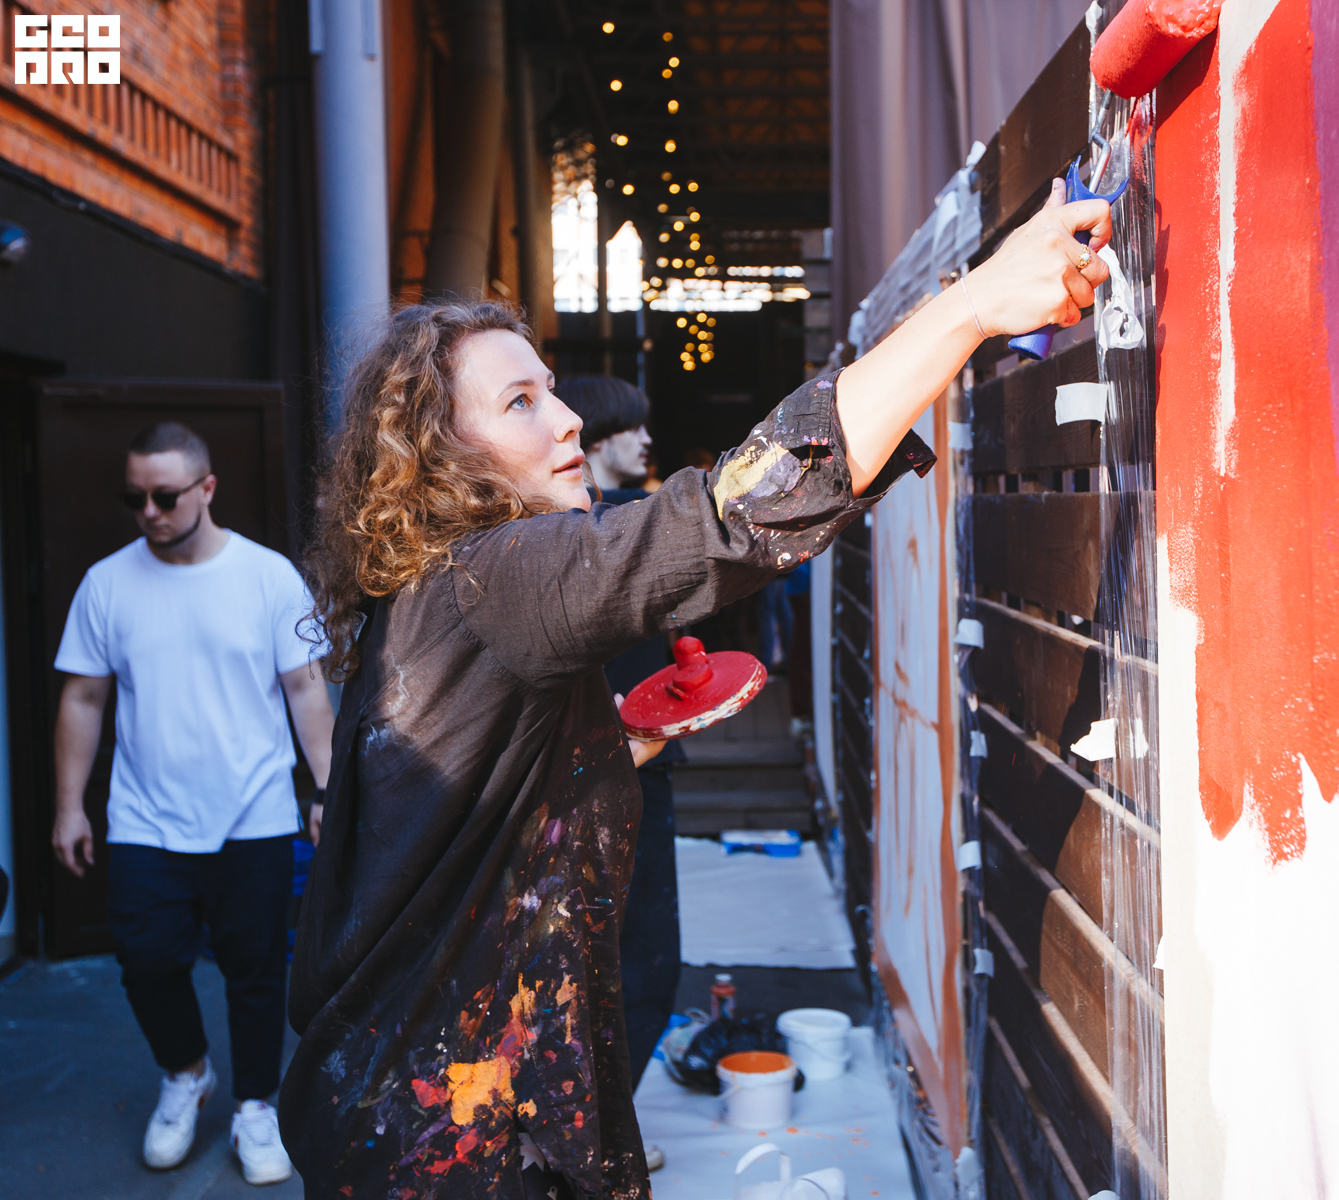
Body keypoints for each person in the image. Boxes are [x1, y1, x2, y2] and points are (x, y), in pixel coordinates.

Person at [280, 185, 1111, 1198]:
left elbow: (449, 814)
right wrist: (973, 306)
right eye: (519, 403)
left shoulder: (434, 590)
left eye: (551, 389)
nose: (568, 419)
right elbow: (731, 518)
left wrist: (604, 743)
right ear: (439, 455)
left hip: (399, 1104)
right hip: (446, 1145)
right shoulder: (494, 576)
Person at [51, 421, 336, 1185]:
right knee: (145, 961)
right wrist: (69, 806)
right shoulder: (107, 584)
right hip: (145, 818)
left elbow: (305, 689)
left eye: (165, 496)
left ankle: (255, 1105)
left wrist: (326, 789)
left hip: (254, 812)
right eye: (134, 498)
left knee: (256, 970)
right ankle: (185, 1073)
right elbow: (83, 698)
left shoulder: (268, 577)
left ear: (207, 489)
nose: (149, 511)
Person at [559, 374, 685, 1173]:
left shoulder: (633, 519)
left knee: (639, 965)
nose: (646, 440)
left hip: (643, 765)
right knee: (624, 964)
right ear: (597, 436)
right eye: (631, 427)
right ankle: (590, 1140)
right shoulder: (567, 532)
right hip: (585, 777)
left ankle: (600, 1129)